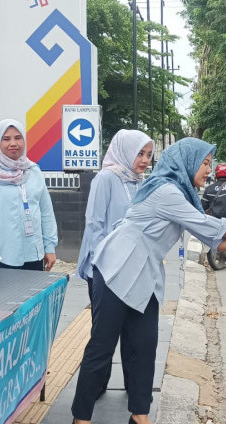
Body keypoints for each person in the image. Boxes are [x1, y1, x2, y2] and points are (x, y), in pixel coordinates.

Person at [70, 138, 226, 424]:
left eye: (211, 163)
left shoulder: (181, 193)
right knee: (102, 347)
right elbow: (210, 225)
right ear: (186, 162)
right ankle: (81, 419)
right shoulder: (166, 192)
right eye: (205, 163)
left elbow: (212, 238)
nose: (209, 169)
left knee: (144, 347)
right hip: (116, 270)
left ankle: (140, 417)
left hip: (144, 276)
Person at [77, 129, 154, 395]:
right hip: (105, 270)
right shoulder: (106, 178)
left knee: (133, 335)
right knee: (104, 334)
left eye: (148, 155)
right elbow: (95, 225)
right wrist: (104, 266)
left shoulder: (141, 182)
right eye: (139, 153)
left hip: (133, 269)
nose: (144, 160)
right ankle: (96, 386)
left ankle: (134, 389)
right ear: (125, 151)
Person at [0, 119, 58, 271]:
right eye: (6, 139)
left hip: (33, 253)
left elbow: (46, 211)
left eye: (18, 137)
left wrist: (49, 246)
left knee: (33, 294)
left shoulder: (33, 171)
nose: (13, 143)